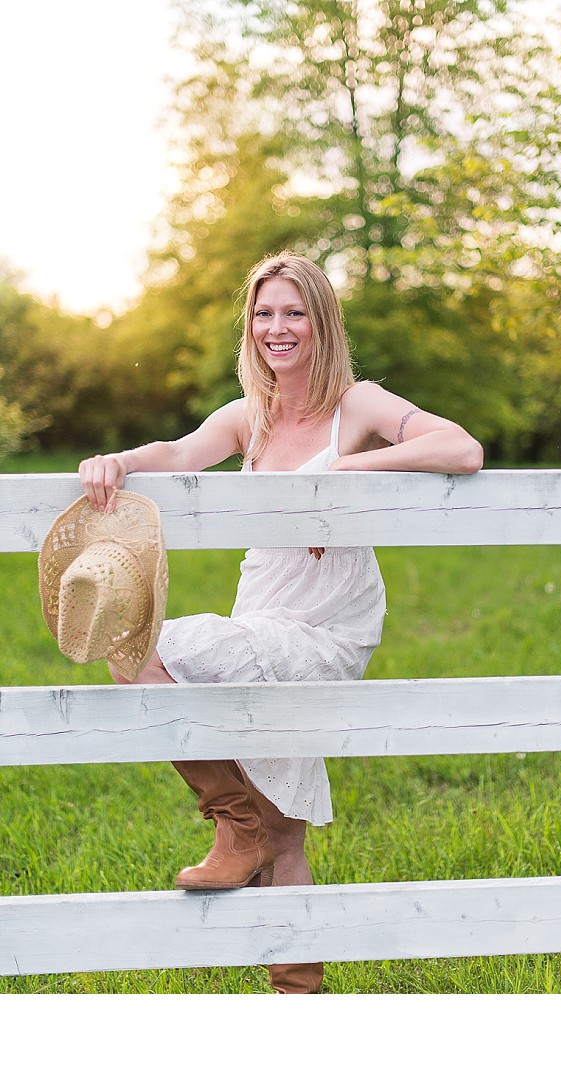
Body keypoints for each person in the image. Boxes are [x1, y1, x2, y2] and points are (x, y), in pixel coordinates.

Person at [77, 251, 484, 993]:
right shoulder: (248, 417)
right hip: (259, 614)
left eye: (293, 311)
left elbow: (461, 447)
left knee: (148, 644)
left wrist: (345, 473)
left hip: (326, 628)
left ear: (321, 321)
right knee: (279, 816)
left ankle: (239, 831)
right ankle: (295, 982)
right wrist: (119, 459)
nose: (278, 327)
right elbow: (176, 453)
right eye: (264, 313)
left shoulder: (356, 405)